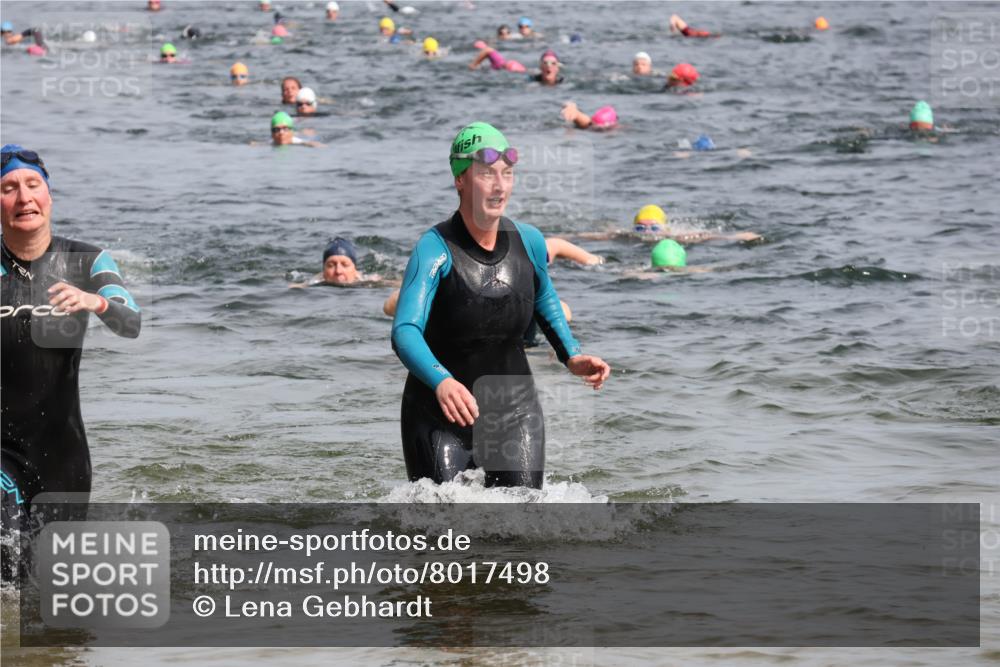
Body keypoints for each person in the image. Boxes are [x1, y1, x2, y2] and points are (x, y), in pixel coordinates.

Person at [390, 122, 610, 489]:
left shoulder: (530, 241)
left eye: (507, 174)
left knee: (522, 528)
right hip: (440, 414)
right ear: (459, 179)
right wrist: (441, 381)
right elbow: (404, 331)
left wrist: (571, 355)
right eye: (486, 174)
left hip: (515, 414)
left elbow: (543, 298)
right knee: (444, 530)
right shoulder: (434, 248)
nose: (499, 185)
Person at [1, 145, 141, 576]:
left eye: (32, 185)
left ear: (49, 195)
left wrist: (94, 301)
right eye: (8, 188)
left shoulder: (85, 261)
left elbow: (130, 321)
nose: (24, 197)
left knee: (46, 590)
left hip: (63, 455)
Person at [578, 204, 761, 243]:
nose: (647, 232)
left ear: (664, 228)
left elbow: (707, 236)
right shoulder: (625, 235)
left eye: (654, 227)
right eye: (641, 228)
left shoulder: (676, 236)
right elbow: (593, 236)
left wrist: (739, 236)